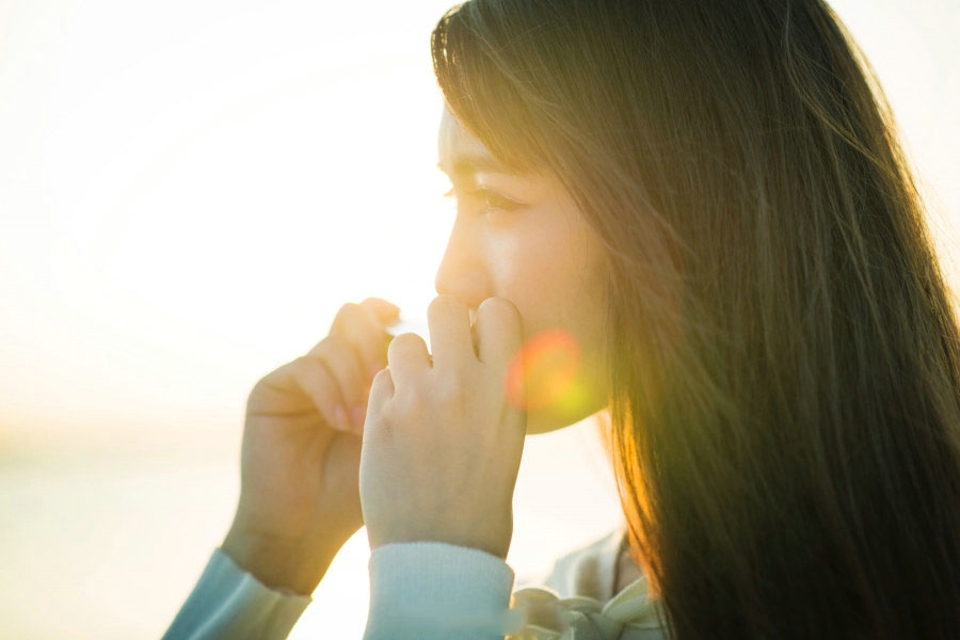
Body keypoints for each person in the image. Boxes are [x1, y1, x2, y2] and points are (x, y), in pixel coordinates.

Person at [162, 0, 960, 638]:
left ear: (683, 213)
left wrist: (435, 571)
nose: (451, 275)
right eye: (455, 195)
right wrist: (269, 557)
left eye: (497, 198)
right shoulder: (589, 584)